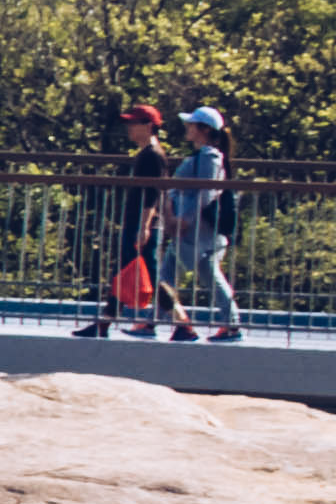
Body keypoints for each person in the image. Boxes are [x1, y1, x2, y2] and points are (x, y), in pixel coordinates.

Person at [71, 100, 171, 337]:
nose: (130, 129)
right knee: (126, 272)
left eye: (134, 124)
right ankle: (105, 322)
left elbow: (152, 193)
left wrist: (144, 227)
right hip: (140, 224)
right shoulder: (147, 154)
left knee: (149, 277)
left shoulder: (152, 155)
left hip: (143, 224)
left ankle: (182, 322)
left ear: (148, 126)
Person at [160, 104, 243, 342]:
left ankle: (175, 324)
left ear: (204, 129)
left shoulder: (209, 156)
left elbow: (207, 192)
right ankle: (224, 324)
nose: (187, 128)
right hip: (191, 230)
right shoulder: (203, 155)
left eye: (192, 124)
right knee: (182, 274)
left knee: (166, 278)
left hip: (195, 231)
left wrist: (184, 219)